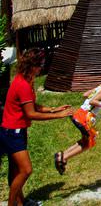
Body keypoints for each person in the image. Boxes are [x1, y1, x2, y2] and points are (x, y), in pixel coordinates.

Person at [1, 49, 72, 206]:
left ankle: (20, 203)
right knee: (26, 170)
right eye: (41, 64)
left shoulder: (26, 80)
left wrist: (54, 109)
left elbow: (31, 105)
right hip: (12, 133)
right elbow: (31, 113)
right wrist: (59, 116)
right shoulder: (23, 85)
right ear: (32, 65)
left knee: (15, 171)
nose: (42, 68)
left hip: (16, 131)